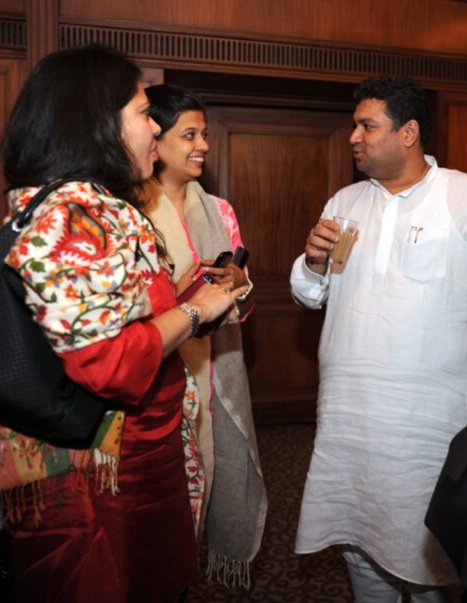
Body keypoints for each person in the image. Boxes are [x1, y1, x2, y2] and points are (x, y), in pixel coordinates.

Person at [0, 45, 248, 602]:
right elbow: (112, 363)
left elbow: (119, 316)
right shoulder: (77, 214)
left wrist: (197, 301)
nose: (154, 127)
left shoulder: (99, 205)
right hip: (103, 466)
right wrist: (195, 312)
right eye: (143, 112)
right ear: (99, 122)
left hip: (133, 450)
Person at [290, 74, 467, 602]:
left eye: (367, 125)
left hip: (429, 428)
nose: (354, 136)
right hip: (350, 423)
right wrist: (311, 263)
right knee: (359, 548)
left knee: (431, 560)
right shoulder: (345, 201)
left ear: (409, 133)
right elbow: (312, 295)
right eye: (354, 125)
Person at [141, 83, 267, 587]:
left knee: (208, 477)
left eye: (205, 135)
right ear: (156, 138)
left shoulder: (221, 211)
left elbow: (243, 303)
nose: (203, 146)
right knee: (157, 496)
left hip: (212, 368)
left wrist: (238, 285)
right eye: (189, 134)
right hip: (154, 371)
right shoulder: (129, 209)